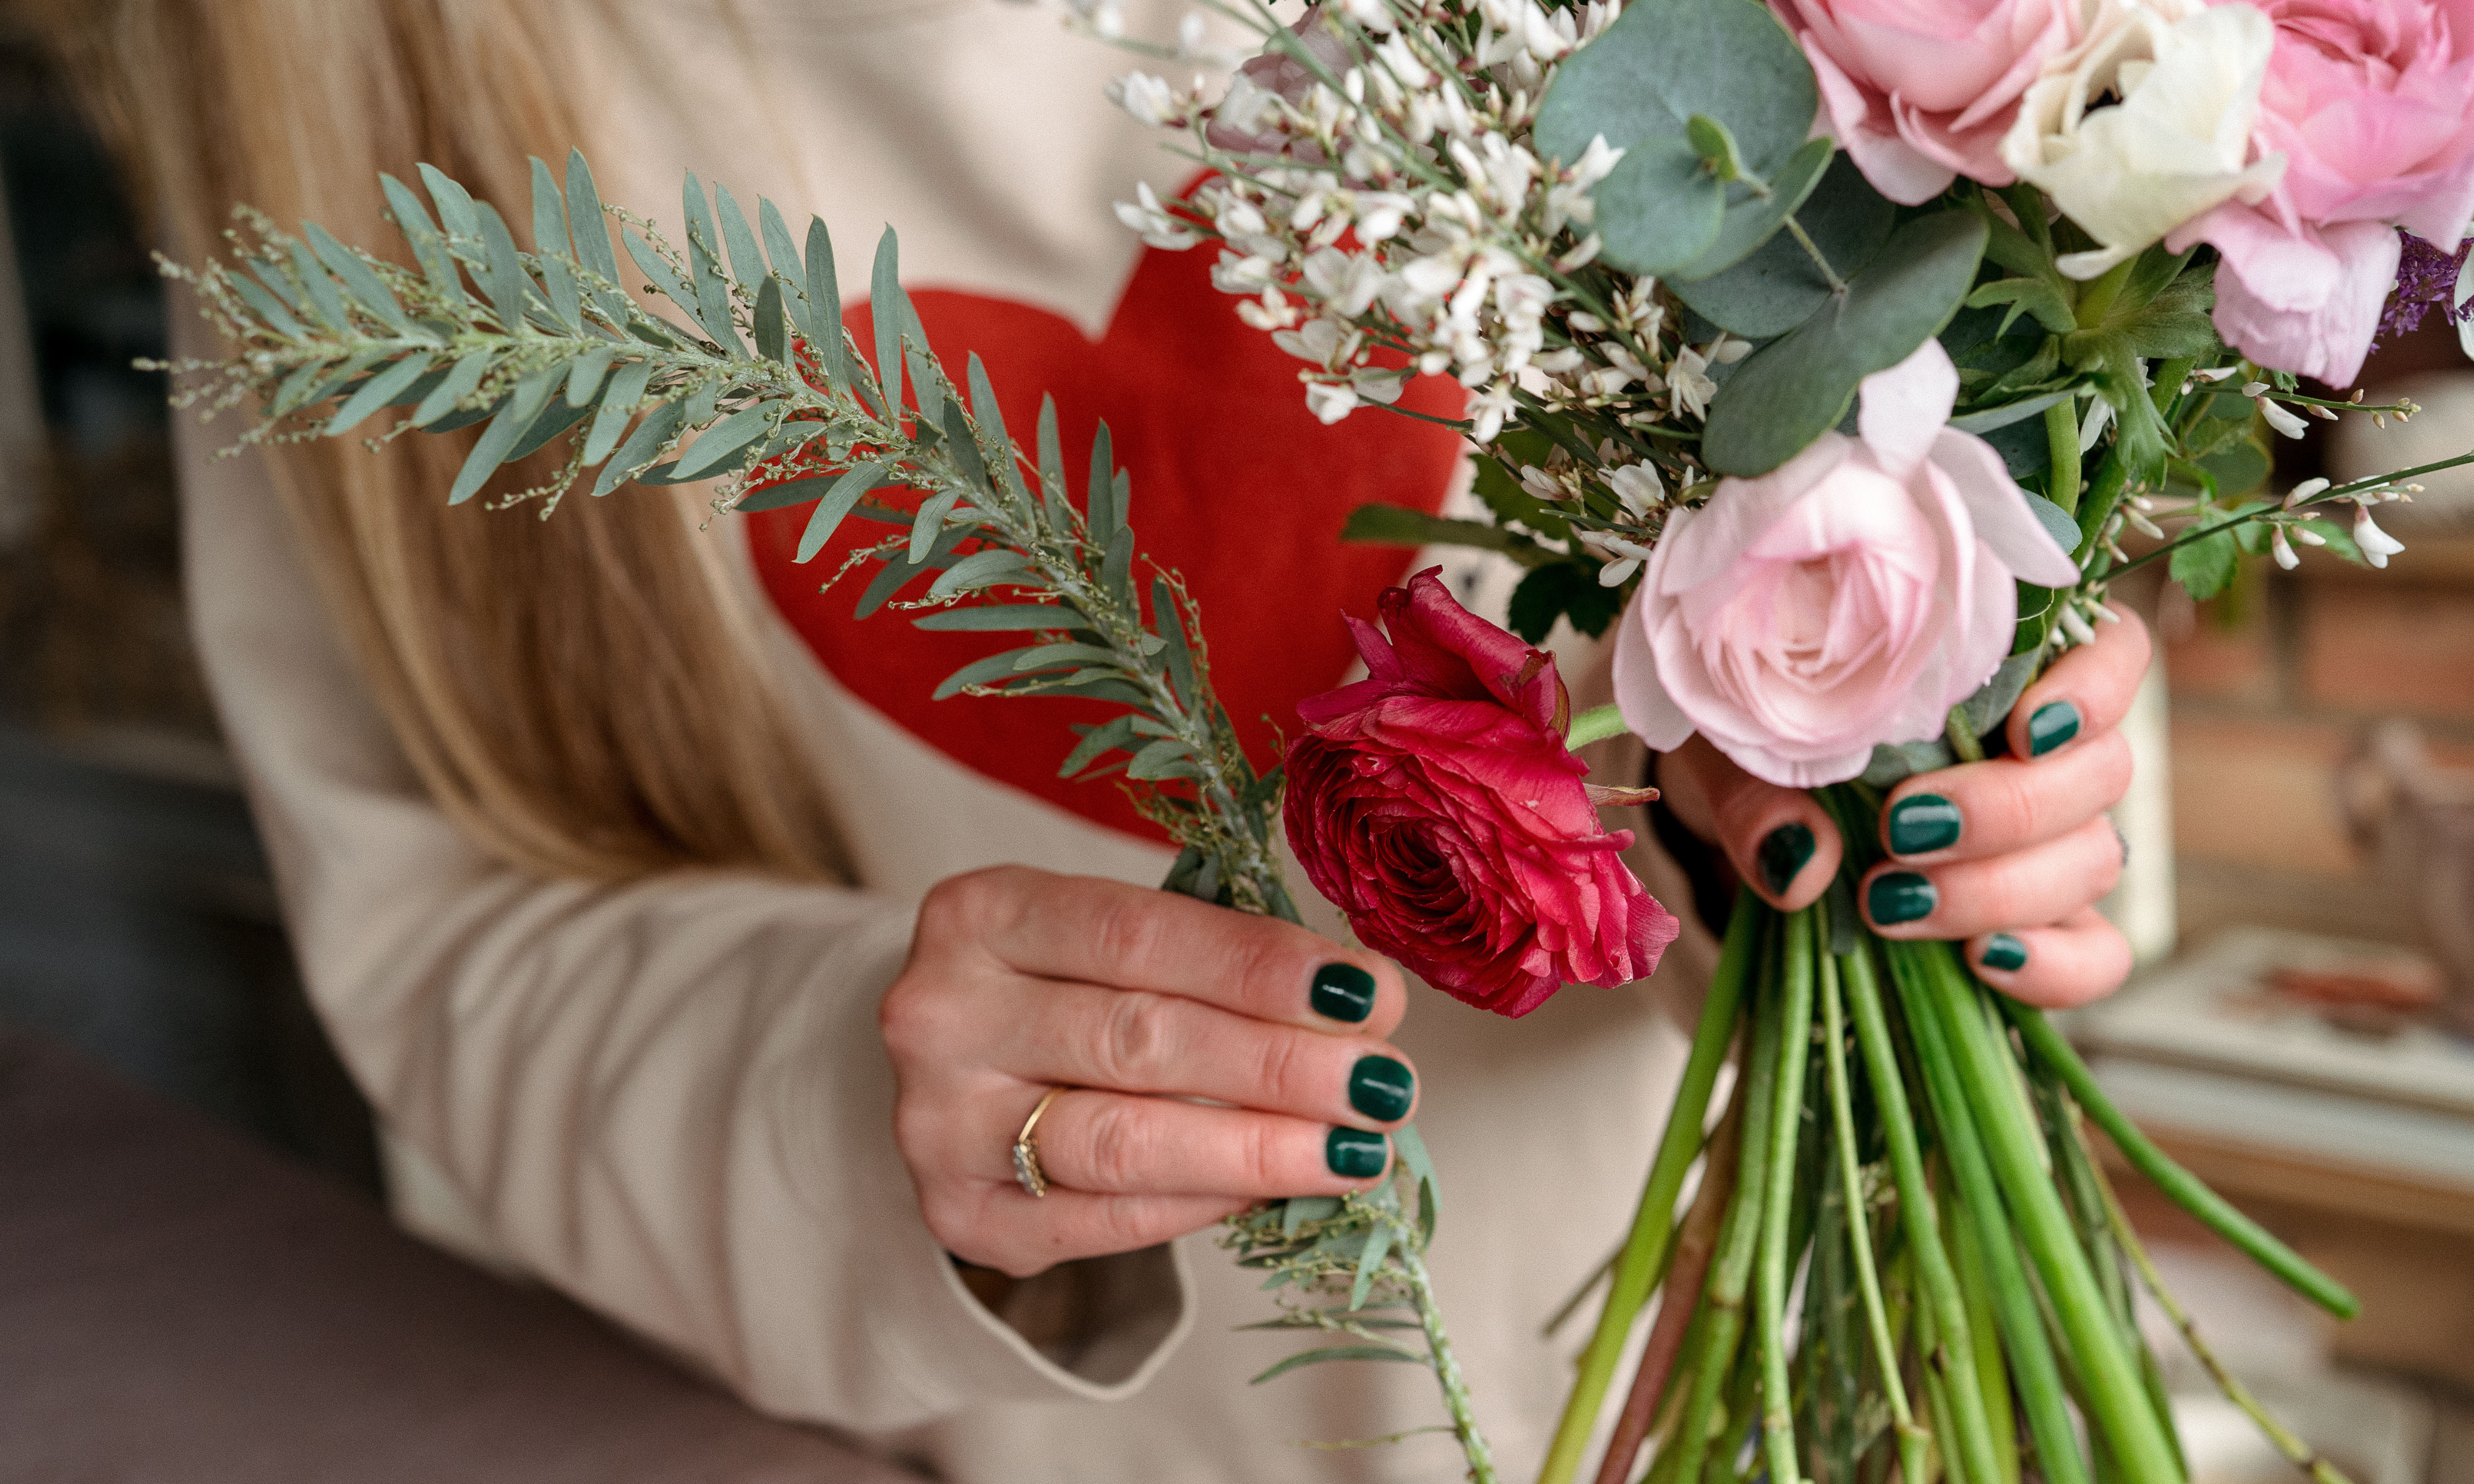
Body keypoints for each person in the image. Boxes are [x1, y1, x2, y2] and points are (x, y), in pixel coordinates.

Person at [43, 1, 2147, 1478]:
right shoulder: (321, 119)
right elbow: (447, 934)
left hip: (1800, 1361)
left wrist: (1941, 778)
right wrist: (861, 1094)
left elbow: (1911, 491)